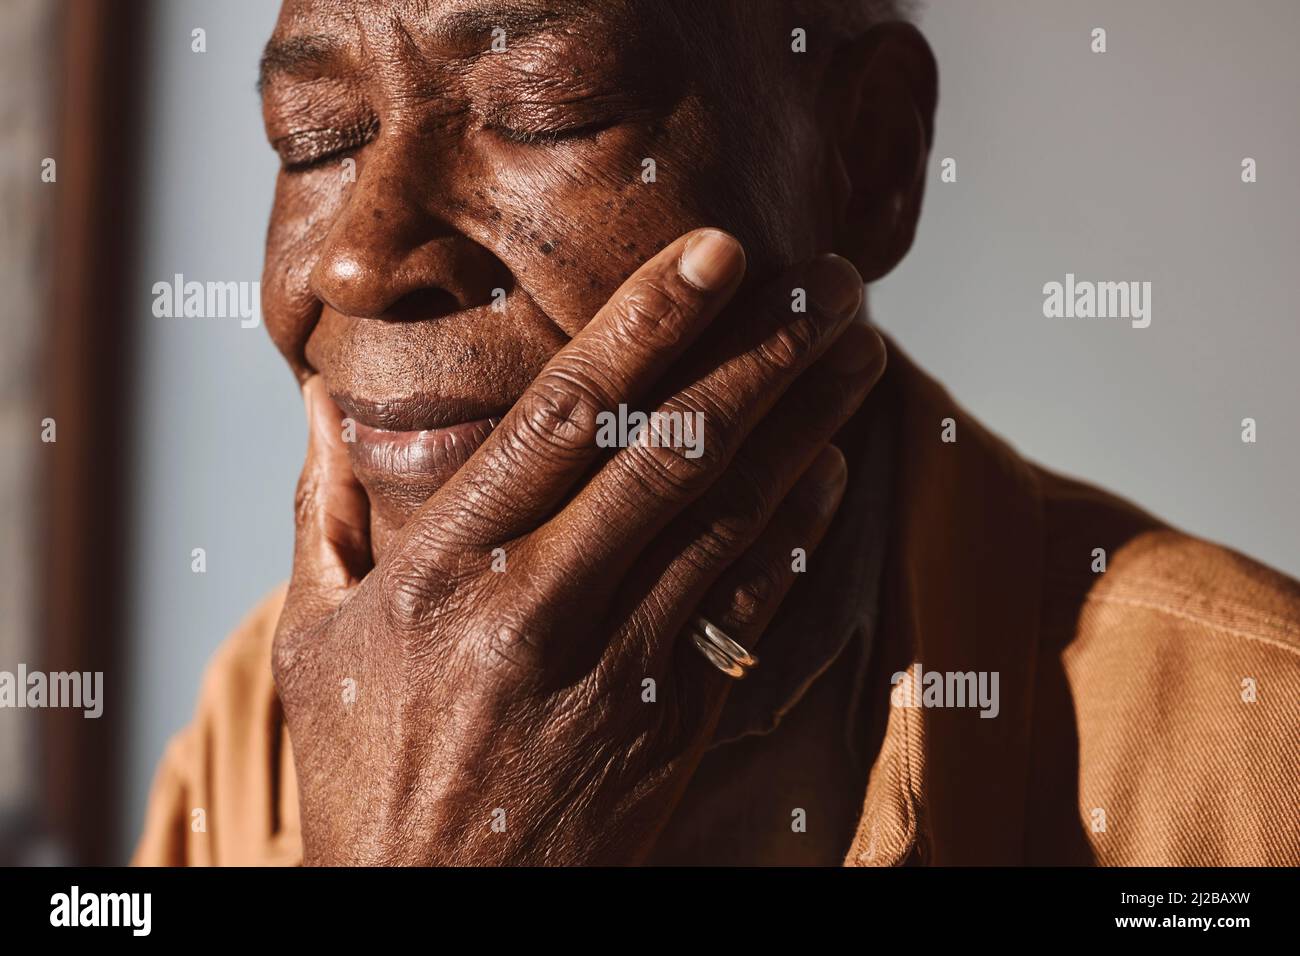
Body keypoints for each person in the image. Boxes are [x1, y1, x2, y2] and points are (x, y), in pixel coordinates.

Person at [134, 0, 1299, 866]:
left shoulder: (1251, 750)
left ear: (870, 156)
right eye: (315, 135)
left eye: (550, 108)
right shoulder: (270, 711)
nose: (359, 255)